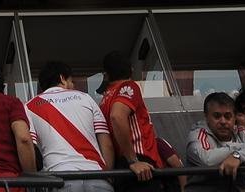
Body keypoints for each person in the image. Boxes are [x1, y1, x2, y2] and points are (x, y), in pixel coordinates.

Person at [25, 61, 113, 192]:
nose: (72, 85)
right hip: (96, 175)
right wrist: (108, 175)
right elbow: (106, 144)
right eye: (72, 81)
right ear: (62, 78)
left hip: (58, 179)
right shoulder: (86, 98)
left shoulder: (29, 106)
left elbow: (29, 148)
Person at [98, 51, 163, 192]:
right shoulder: (129, 86)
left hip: (123, 167)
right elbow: (117, 116)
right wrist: (133, 161)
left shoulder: (104, 99)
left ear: (106, 75)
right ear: (131, 70)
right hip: (139, 166)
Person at [185, 93, 245, 192]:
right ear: (206, 117)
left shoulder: (242, 132)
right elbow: (207, 160)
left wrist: (239, 156)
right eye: (217, 116)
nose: (223, 121)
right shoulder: (197, 134)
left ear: (234, 118)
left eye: (227, 116)